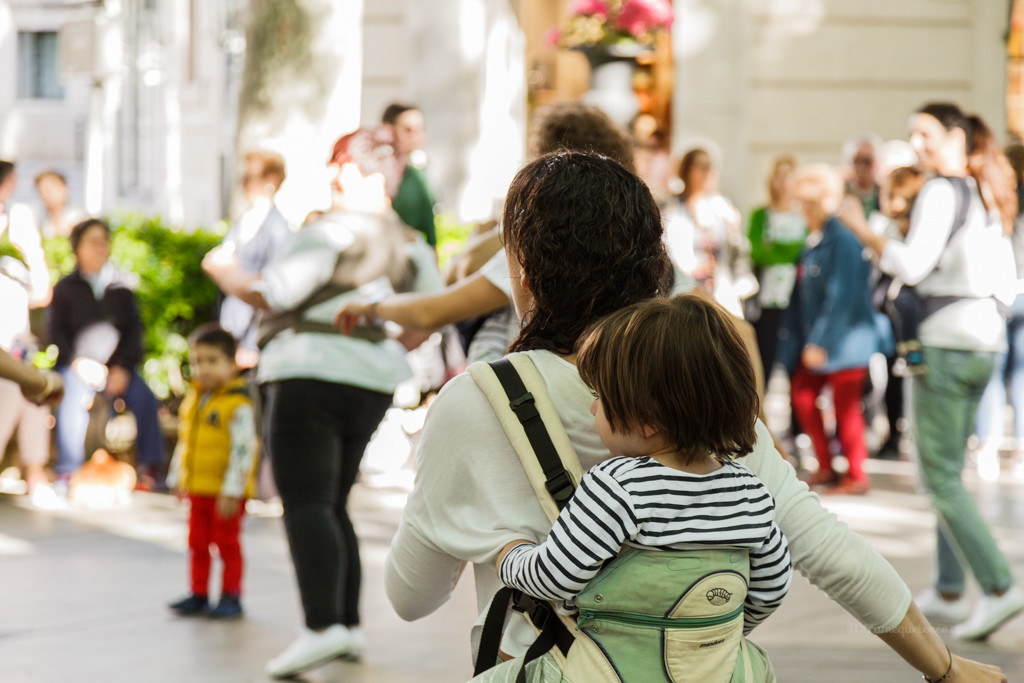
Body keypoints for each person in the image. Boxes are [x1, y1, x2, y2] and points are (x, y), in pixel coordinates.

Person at [385, 151, 1005, 683]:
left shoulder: (475, 401)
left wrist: (502, 546)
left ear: (524, 270)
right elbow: (826, 551)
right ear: (653, 259)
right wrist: (943, 666)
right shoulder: (695, 386)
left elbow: (411, 597)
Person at [202, 125, 443, 679]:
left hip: (307, 371)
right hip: (373, 379)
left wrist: (223, 270)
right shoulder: (411, 242)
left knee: (308, 502)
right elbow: (424, 317)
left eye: (341, 165)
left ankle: (321, 626)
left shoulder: (333, 229)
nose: (333, 176)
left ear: (365, 174)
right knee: (332, 502)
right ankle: (347, 626)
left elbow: (273, 291)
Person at [495, 294, 791, 677]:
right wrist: (708, 634)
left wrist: (511, 558)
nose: (592, 409)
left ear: (648, 419)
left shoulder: (618, 485)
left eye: (600, 396)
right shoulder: (751, 492)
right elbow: (772, 588)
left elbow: (556, 576)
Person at [839, 103, 1023, 641]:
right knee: (949, 473)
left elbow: (911, 265)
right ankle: (947, 589)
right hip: (984, 342)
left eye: (925, 132)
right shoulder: (988, 187)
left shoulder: (944, 189)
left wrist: (861, 227)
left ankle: (997, 586)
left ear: (954, 136)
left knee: (939, 476)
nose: (916, 143)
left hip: (945, 343)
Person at [780, 164, 888, 496]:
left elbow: (844, 296)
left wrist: (821, 341)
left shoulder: (843, 239)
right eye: (801, 203)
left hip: (847, 340)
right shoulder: (813, 239)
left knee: (845, 407)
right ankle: (826, 465)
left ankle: (856, 475)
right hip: (820, 337)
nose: (804, 209)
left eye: (810, 202)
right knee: (803, 395)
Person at [47, 218, 167, 490]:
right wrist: (78, 362)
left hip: (117, 368)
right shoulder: (65, 288)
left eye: (104, 241)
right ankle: (68, 470)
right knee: (69, 397)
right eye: (93, 241)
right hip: (76, 366)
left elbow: (134, 333)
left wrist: (122, 367)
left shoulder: (121, 286)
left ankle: (151, 468)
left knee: (145, 398)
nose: (100, 248)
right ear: (77, 247)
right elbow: (56, 333)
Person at [166, 324, 258, 620]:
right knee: (197, 543)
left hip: (225, 492)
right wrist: (178, 479)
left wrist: (234, 489)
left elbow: (244, 451)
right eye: (198, 361)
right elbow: (185, 442)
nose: (203, 368)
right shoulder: (194, 400)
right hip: (198, 488)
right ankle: (199, 593)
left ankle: (231, 595)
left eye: (212, 360)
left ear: (232, 364)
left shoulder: (238, 404)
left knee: (227, 544)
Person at [213, 150, 293, 370]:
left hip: (252, 339)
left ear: (271, 181)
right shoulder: (242, 222)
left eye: (250, 178)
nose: (243, 183)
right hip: (231, 328)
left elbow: (272, 290)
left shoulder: (278, 230)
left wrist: (251, 344)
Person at [663, 147, 756, 318]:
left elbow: (737, 251)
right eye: (701, 167)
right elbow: (671, 250)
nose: (708, 172)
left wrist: (734, 231)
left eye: (712, 167)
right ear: (687, 170)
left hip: (721, 290)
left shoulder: (722, 208)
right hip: (686, 290)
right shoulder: (673, 208)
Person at [746, 154, 807, 375]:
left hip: (795, 296)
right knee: (764, 358)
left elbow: (802, 251)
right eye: (779, 178)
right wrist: (788, 249)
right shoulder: (760, 215)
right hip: (766, 297)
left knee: (794, 360)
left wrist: (776, 247)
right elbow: (758, 252)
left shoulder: (803, 216)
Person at [382, 103, 438, 248]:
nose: (415, 136)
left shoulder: (420, 167)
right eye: (408, 130)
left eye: (420, 129)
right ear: (389, 131)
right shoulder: (380, 170)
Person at [34, 170, 85, 239]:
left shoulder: (78, 217)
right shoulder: (42, 221)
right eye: (41, 192)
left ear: (64, 189)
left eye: (48, 191)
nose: (45, 196)